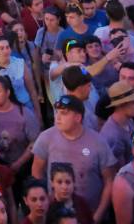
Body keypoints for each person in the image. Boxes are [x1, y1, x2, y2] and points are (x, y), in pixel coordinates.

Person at [30, 95, 117, 223]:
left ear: (78, 117)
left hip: (90, 215)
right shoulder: (46, 138)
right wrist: (45, 202)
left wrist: (98, 215)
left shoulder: (98, 142)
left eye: (64, 113)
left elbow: (109, 180)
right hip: (57, 216)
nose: (58, 117)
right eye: (57, 112)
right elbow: (36, 171)